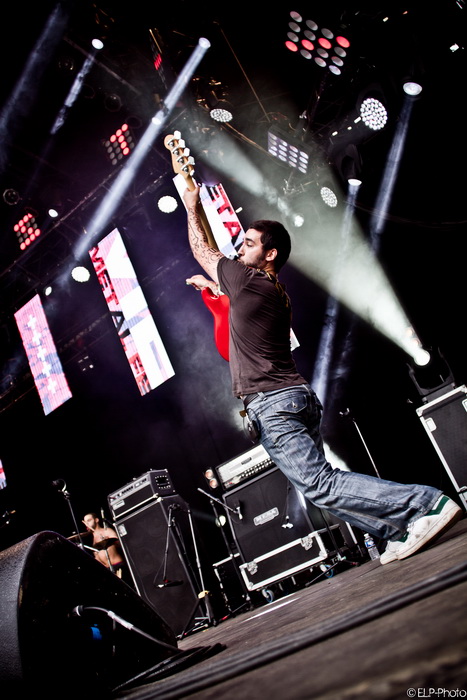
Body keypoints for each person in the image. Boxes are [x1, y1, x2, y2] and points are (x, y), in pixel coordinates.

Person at [183, 184, 462, 565]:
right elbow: (226, 283)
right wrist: (213, 285)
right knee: (319, 489)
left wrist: (190, 204)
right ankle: (397, 529)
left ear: (270, 254)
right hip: (290, 398)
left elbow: (202, 250)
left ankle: (427, 504)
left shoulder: (248, 281)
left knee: (320, 484)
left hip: (274, 404)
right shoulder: (265, 289)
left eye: (248, 243)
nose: (239, 248)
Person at [82, 512, 125, 577]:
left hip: (117, 565)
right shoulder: (93, 540)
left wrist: (107, 540)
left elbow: (120, 544)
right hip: (108, 570)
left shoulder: (107, 531)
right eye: (85, 522)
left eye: (89, 520)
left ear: (96, 520)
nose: (87, 523)